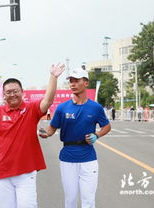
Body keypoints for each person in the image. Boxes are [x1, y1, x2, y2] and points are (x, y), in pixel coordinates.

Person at [0, 63, 65, 208]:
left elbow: (47, 100)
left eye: (15, 91)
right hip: (2, 172)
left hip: (25, 173)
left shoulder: (31, 110)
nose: (12, 95)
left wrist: (53, 77)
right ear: (4, 94)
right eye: (8, 92)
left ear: (22, 92)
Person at [39, 67, 111, 208]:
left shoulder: (95, 107)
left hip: (88, 158)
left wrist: (97, 135)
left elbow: (107, 126)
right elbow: (52, 128)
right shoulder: (62, 108)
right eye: (71, 81)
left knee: (88, 200)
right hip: (67, 158)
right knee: (70, 200)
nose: (72, 84)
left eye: (76, 81)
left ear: (86, 83)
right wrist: (45, 133)